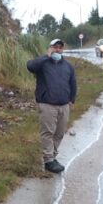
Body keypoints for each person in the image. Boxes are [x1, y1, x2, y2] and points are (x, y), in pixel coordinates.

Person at [26, 38, 77, 173]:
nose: (58, 49)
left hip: (64, 105)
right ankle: (48, 160)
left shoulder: (67, 66)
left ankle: (52, 157)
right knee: (48, 132)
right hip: (47, 104)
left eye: (60, 47)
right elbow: (30, 66)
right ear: (50, 48)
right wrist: (46, 57)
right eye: (55, 47)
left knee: (59, 133)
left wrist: (72, 99)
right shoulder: (42, 64)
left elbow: (72, 83)